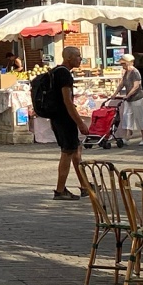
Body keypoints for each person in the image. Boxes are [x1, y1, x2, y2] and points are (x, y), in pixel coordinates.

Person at [43, 45, 88, 195]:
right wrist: (80, 123)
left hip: (57, 117)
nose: (80, 59)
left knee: (76, 149)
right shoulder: (65, 75)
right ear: (69, 57)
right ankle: (60, 190)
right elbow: (67, 101)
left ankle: (84, 185)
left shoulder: (56, 71)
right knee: (67, 152)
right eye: (78, 56)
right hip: (64, 118)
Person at [113, 53, 143, 144]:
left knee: (140, 118)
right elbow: (122, 84)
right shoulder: (126, 72)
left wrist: (127, 95)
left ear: (128, 63)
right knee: (127, 117)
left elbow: (136, 86)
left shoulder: (135, 72)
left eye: (123, 64)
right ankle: (127, 137)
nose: (122, 66)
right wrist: (115, 93)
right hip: (128, 99)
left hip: (137, 98)